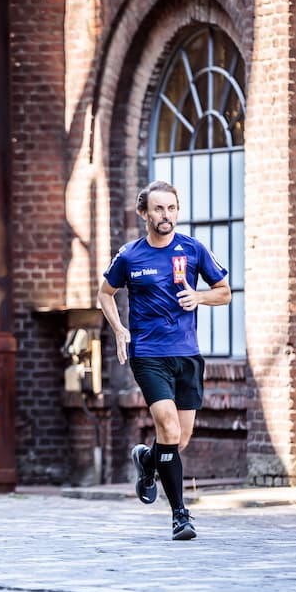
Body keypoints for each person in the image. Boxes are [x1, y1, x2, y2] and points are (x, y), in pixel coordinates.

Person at [97, 180, 231, 540]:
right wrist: (120, 329)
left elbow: (225, 293)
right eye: (158, 209)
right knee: (168, 428)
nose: (165, 216)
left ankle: (147, 460)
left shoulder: (192, 250)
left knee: (179, 438)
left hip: (187, 354)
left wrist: (199, 298)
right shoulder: (130, 255)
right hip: (149, 354)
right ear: (144, 213)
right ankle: (180, 517)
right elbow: (105, 293)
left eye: (171, 208)